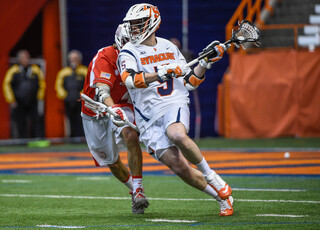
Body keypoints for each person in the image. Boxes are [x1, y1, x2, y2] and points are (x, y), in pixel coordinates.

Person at [117, 3, 233, 216]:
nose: (133, 28)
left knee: (176, 133)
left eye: (137, 23)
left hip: (173, 102)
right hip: (148, 118)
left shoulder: (169, 47)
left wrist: (205, 62)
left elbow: (190, 82)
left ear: (152, 22)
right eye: (131, 24)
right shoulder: (128, 51)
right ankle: (222, 197)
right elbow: (130, 80)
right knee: (180, 167)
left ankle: (211, 175)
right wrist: (161, 73)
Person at [81, 23, 149, 214]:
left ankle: (139, 190)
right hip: (96, 111)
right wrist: (113, 109)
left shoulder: (140, 57)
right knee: (112, 161)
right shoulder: (105, 56)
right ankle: (133, 190)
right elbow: (102, 91)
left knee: (131, 135)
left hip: (122, 105)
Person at [2, 49, 46, 138]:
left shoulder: (35, 70)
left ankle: (36, 139)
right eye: (24, 57)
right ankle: (22, 140)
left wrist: (40, 97)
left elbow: (42, 84)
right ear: (19, 59)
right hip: (19, 101)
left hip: (33, 100)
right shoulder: (13, 70)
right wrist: (11, 100)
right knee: (20, 121)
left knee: (36, 120)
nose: (26, 59)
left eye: (27, 57)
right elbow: (6, 85)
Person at [55, 50, 87, 137]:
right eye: (72, 59)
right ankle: (72, 137)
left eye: (76, 59)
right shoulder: (64, 72)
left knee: (81, 118)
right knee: (70, 118)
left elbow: (88, 85)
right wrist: (64, 95)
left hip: (81, 101)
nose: (74, 61)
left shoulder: (84, 71)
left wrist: (82, 94)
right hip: (69, 100)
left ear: (79, 60)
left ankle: (82, 137)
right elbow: (58, 85)